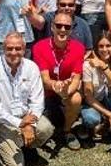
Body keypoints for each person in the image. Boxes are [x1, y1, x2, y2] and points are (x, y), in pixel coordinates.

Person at [0, 32, 55, 166]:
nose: (14, 52)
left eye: (18, 48)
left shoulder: (31, 67)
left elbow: (37, 101)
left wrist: (29, 124)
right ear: (3, 49)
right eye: (9, 48)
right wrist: (20, 124)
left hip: (26, 117)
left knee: (46, 128)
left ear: (24, 49)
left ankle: (27, 148)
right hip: (3, 122)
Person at [32, 12, 85, 150]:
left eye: (67, 27)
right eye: (59, 25)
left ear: (71, 29)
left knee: (76, 98)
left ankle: (66, 132)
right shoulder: (39, 47)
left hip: (66, 91)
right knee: (46, 121)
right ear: (52, 27)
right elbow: (44, 79)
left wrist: (65, 92)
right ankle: (50, 129)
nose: (62, 29)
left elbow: (76, 79)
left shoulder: (78, 48)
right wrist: (55, 85)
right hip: (46, 92)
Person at [80, 33, 111, 141]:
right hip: (94, 101)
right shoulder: (88, 65)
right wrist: (109, 114)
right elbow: (88, 97)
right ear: (96, 48)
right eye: (101, 46)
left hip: (110, 96)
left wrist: (104, 67)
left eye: (108, 46)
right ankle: (97, 123)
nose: (104, 49)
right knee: (90, 119)